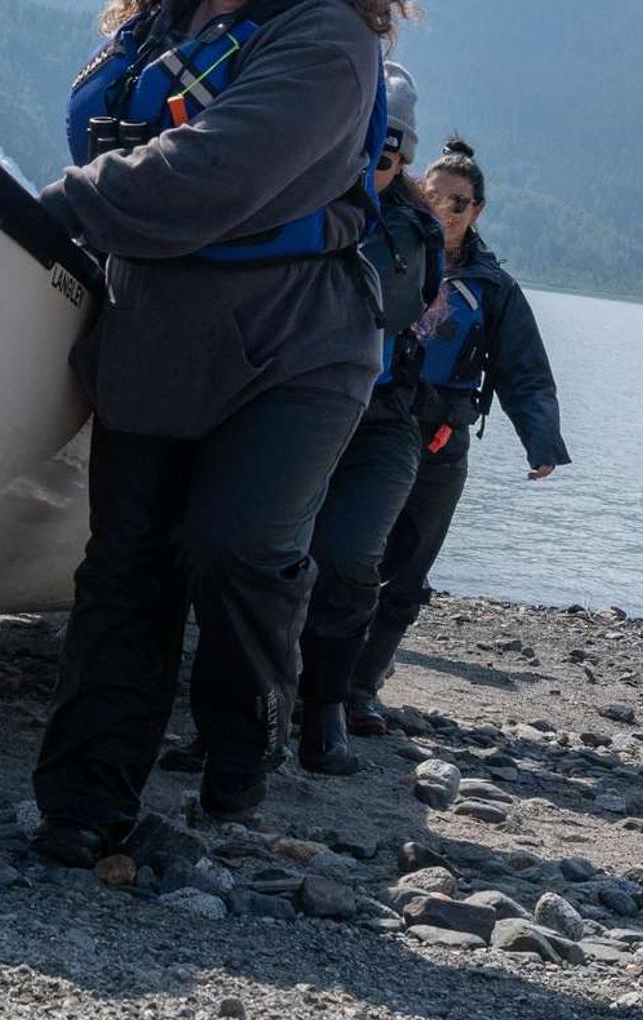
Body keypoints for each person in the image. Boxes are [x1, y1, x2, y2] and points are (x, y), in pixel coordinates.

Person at [30, 0, 412, 865]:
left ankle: (244, 742)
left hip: (298, 345)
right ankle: (84, 802)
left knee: (236, 547)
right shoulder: (158, 29)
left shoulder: (328, 40)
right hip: (154, 336)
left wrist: (61, 203)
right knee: (126, 566)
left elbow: (212, 169)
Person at [345, 136, 572, 711]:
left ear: (478, 211)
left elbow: (524, 371)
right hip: (365, 420)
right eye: (434, 196)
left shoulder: (494, 290)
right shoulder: (384, 249)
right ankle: (315, 677)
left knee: (409, 563)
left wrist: (540, 441)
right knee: (344, 550)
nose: (445, 210)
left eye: (459, 203)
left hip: (440, 436)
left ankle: (362, 686)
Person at [293, 60, 446, 767]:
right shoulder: (286, 188)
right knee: (256, 554)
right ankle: (247, 701)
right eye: (362, 143)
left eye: (388, 150)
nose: (374, 162)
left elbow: (382, 301)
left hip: (380, 420)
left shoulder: (411, 231)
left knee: (350, 555)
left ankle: (326, 701)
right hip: (285, 403)